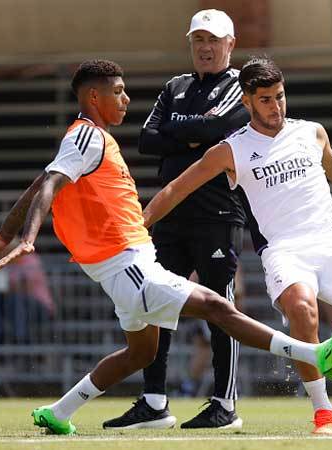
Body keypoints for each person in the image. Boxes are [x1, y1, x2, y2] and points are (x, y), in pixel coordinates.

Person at [0, 59, 332, 436]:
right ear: (94, 97)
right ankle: (310, 353)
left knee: (141, 353)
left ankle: (58, 411)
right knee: (217, 306)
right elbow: (48, 185)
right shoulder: (86, 135)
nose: (127, 99)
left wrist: (4, 233)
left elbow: (40, 182)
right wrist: (26, 238)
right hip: (127, 265)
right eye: (118, 92)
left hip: (126, 264)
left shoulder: (86, 139)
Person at [140, 56, 332, 434]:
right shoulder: (230, 150)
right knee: (303, 311)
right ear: (247, 102)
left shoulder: (312, 132)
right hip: (284, 250)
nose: (276, 107)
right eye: (266, 99)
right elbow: (177, 187)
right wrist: (140, 225)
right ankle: (324, 412)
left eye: (280, 96)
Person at [103, 9, 251, 430]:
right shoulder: (175, 86)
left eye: (213, 40)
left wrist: (181, 131)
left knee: (220, 307)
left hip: (216, 213)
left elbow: (222, 127)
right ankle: (153, 401)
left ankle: (225, 403)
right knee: (154, 303)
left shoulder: (239, 84)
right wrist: (196, 131)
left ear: (230, 43)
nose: (205, 47)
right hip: (170, 214)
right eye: (198, 40)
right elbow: (148, 139)